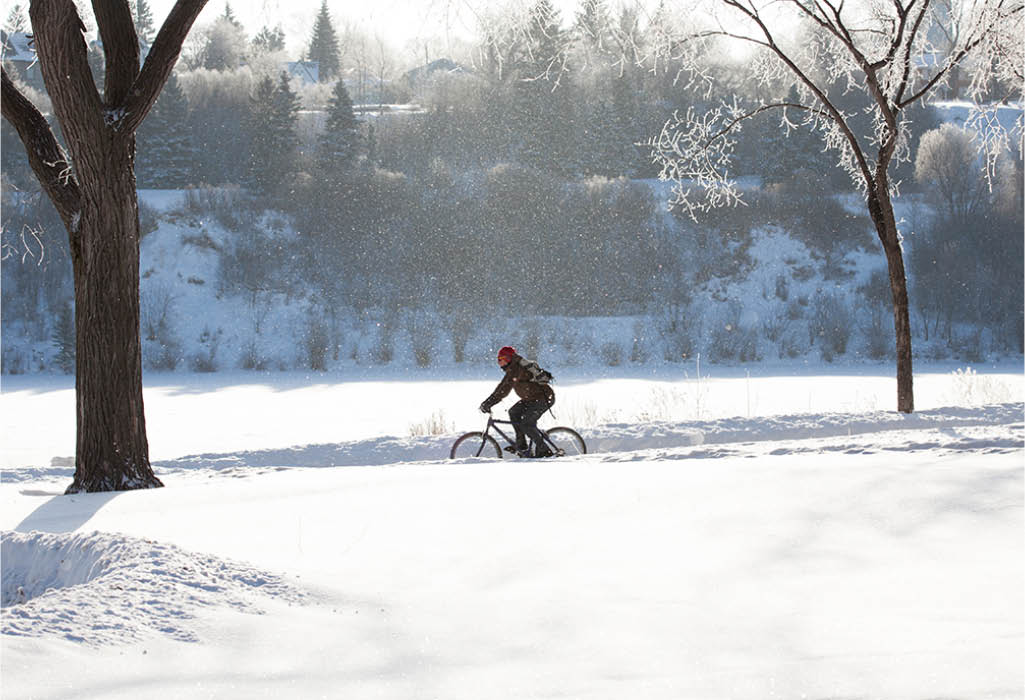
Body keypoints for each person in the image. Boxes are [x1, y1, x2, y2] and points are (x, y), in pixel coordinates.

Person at [479, 346, 555, 458]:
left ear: (508, 358)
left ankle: (545, 451)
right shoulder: (513, 369)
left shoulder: (517, 369)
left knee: (527, 424)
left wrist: (488, 403)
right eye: (498, 359)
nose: (498, 362)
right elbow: (501, 388)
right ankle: (522, 445)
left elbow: (502, 390)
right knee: (514, 412)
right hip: (531, 399)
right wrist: (488, 402)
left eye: (501, 358)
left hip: (543, 399)